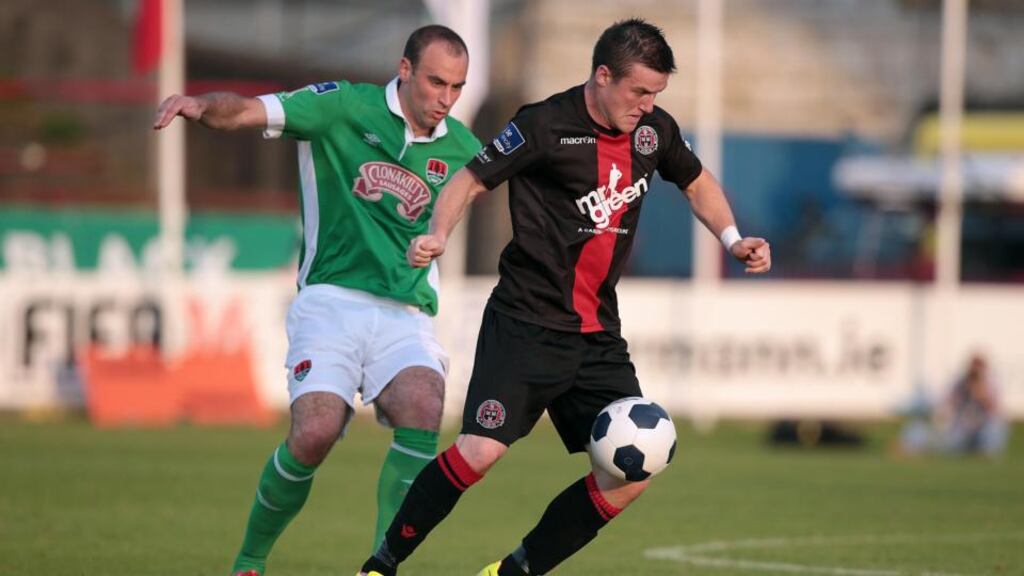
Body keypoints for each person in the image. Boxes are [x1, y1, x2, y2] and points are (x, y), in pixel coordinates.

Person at [357, 18, 771, 576]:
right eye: (640, 92)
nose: (649, 105)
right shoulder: (543, 126)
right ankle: (381, 565)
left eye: (657, 94)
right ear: (603, 75)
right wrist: (438, 233)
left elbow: (696, 182)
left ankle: (515, 571)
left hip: (597, 333)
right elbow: (469, 181)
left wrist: (732, 237)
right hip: (526, 323)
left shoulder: (653, 134)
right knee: (480, 453)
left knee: (633, 473)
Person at [152, 25, 482, 576]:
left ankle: (382, 565)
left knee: (425, 405)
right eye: (436, 82)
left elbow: (525, 181)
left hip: (405, 312)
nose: (445, 99)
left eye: (458, 87)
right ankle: (250, 561)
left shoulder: (464, 148)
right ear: (404, 71)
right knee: (314, 432)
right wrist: (198, 104)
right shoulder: (340, 107)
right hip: (330, 302)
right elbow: (246, 112)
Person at [937, 353, 1008, 456]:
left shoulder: (991, 384)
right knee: (950, 441)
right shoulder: (960, 383)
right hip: (964, 427)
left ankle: (986, 452)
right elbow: (948, 404)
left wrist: (980, 392)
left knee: (995, 428)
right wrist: (964, 392)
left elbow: (995, 409)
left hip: (983, 427)